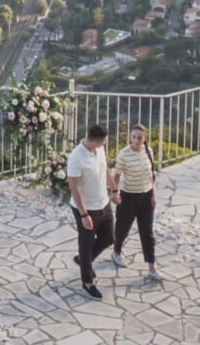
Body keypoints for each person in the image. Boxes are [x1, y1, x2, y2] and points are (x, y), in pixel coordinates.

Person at [65, 122, 114, 299]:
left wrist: (114, 189)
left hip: (104, 203)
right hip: (85, 208)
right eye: (104, 141)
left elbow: (105, 168)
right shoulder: (76, 158)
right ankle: (87, 282)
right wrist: (84, 214)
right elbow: (74, 188)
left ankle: (84, 261)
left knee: (109, 237)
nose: (105, 144)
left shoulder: (99, 150)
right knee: (85, 243)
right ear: (97, 140)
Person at [109, 124, 163, 284]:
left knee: (147, 233)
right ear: (130, 137)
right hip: (128, 198)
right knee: (122, 229)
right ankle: (116, 251)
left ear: (144, 138)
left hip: (146, 198)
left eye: (140, 137)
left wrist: (153, 195)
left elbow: (151, 175)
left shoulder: (148, 151)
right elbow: (116, 175)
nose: (136, 140)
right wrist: (114, 193)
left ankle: (152, 269)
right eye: (134, 137)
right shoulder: (124, 154)